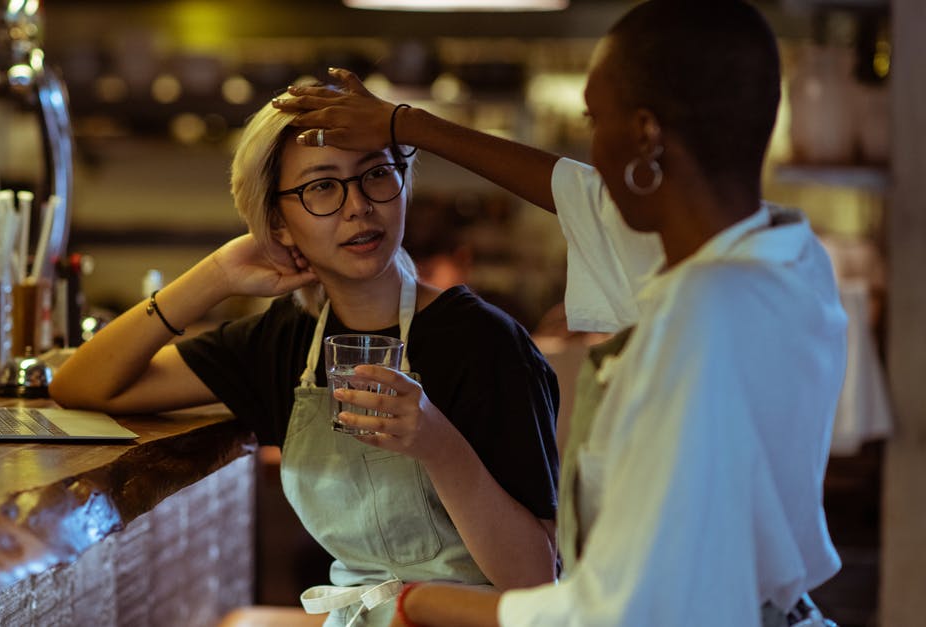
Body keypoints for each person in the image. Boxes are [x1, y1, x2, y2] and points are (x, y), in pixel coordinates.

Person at [273, 1, 847, 625]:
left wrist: (421, 603)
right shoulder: (784, 259)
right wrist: (405, 125)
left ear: (646, 136)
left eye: (596, 121)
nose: (591, 150)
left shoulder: (698, 326)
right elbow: (584, 196)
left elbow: (622, 610)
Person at [49, 86, 561, 627]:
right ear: (277, 222)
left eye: (376, 174)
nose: (358, 206)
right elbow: (83, 385)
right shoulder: (286, 339)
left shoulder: (486, 344)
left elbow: (533, 581)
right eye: (322, 187)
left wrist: (438, 445)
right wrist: (215, 276)